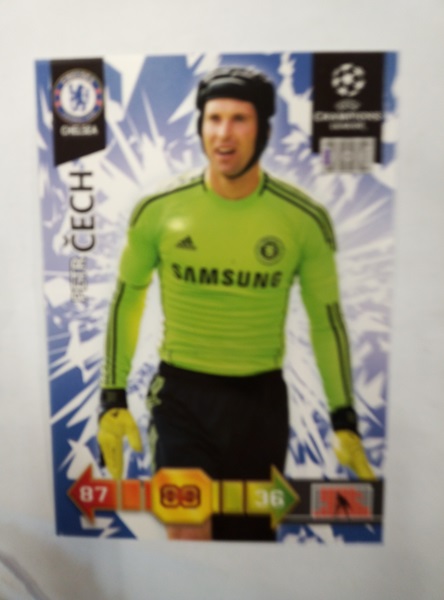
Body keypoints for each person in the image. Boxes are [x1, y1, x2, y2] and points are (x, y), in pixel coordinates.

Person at [98, 66, 375, 542]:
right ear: (200, 126)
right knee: (189, 532)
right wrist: (112, 396)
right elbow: (128, 300)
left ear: (263, 129)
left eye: (239, 119)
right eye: (214, 118)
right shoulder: (158, 210)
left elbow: (326, 322)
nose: (223, 133)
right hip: (180, 397)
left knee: (247, 542)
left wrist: (343, 417)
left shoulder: (303, 219)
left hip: (259, 405)